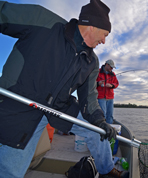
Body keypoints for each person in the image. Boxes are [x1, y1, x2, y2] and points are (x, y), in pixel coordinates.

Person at [0, 1, 128, 178]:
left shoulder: (92, 62)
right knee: (11, 169)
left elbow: (89, 99)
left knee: (97, 131)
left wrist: (100, 121)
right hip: (21, 104)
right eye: (105, 34)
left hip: (59, 107)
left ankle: (106, 170)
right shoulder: (43, 21)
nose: (104, 41)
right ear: (92, 26)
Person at [97, 59, 119, 124]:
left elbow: (116, 83)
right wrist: (98, 83)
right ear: (107, 65)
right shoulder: (97, 72)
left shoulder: (113, 74)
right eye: (111, 67)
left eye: (112, 67)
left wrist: (111, 85)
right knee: (102, 115)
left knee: (110, 115)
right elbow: (92, 83)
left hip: (110, 98)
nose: (112, 69)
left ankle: (109, 129)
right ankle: (101, 129)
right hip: (101, 97)